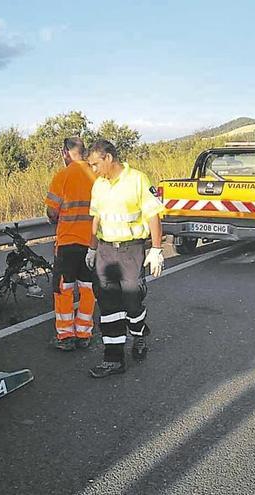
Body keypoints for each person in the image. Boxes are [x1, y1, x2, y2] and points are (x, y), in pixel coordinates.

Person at [85, 139, 165, 378]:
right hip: (106, 251)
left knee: (132, 302)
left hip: (131, 250)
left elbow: (153, 216)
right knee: (108, 306)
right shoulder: (98, 185)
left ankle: (139, 334)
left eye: (95, 164)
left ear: (108, 158)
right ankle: (113, 359)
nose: (93, 170)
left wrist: (157, 249)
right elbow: (96, 219)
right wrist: (92, 248)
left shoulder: (137, 180)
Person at [44, 137, 97, 351]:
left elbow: (51, 211)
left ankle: (65, 335)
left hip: (67, 243)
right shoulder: (97, 175)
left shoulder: (62, 176)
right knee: (88, 289)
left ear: (66, 152)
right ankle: (84, 333)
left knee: (64, 289)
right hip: (92, 244)